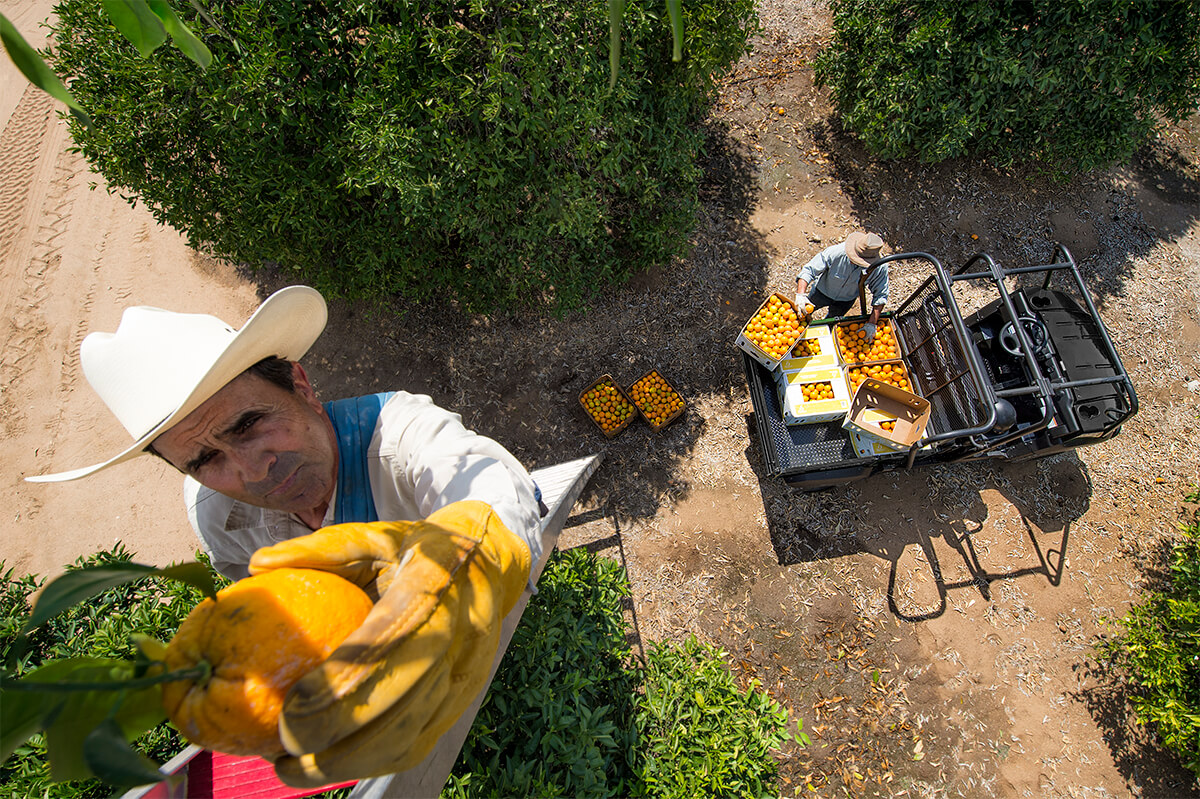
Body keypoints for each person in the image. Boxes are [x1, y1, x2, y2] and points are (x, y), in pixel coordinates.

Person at [26, 286, 543, 783]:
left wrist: (473, 555)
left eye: (248, 424)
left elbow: (488, 484)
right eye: (206, 460)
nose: (253, 473)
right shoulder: (216, 516)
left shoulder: (399, 432)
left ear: (300, 384)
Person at [795, 231, 889, 340]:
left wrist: (872, 323)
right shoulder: (837, 251)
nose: (854, 261)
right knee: (801, 315)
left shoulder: (879, 268)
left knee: (831, 322)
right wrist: (800, 295)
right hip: (821, 292)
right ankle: (798, 335)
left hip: (845, 301)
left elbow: (881, 295)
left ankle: (821, 339)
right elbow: (809, 270)